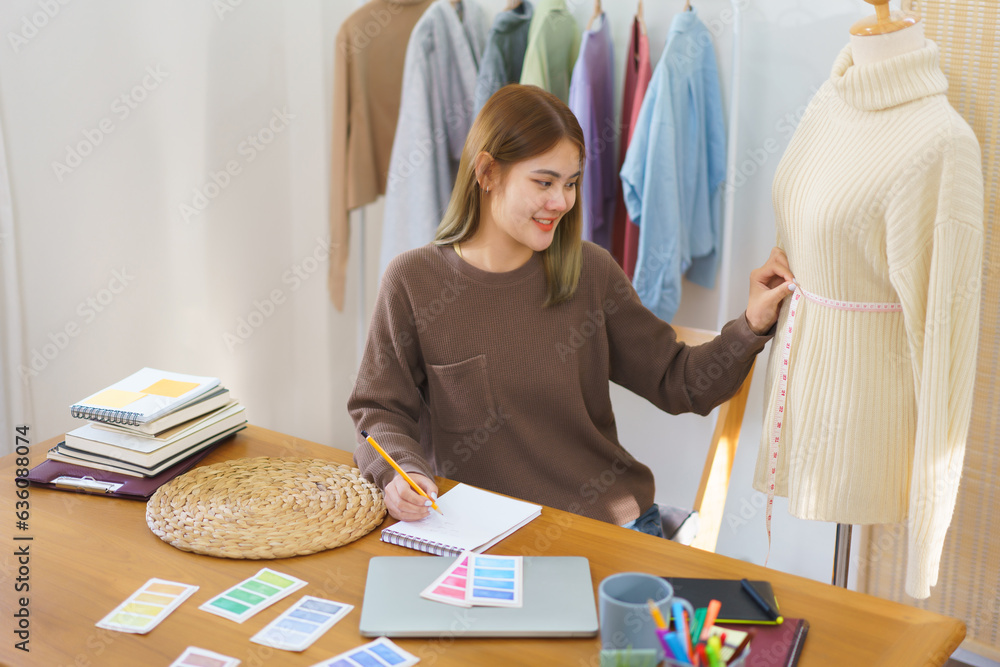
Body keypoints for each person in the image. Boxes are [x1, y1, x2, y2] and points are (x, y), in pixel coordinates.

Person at [349, 84, 794, 534]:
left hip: (604, 526)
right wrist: (400, 472)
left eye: (571, 183)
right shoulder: (413, 281)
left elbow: (680, 383)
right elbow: (378, 409)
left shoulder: (591, 273)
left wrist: (751, 324)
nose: (561, 202)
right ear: (486, 172)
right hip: (477, 533)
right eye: (544, 182)